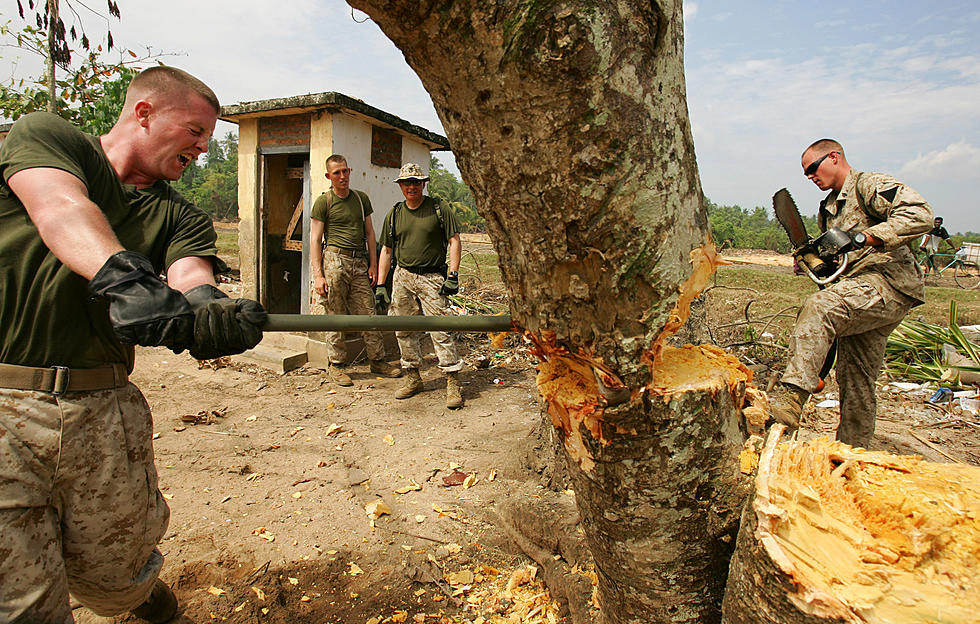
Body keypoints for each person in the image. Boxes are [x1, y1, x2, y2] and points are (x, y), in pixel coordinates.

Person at [0, 66, 267, 623]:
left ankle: (135, 598)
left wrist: (209, 313)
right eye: (194, 129)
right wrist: (121, 276)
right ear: (144, 112)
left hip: (103, 410)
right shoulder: (49, 137)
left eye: (208, 136)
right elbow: (58, 207)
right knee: (21, 604)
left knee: (117, 577)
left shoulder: (179, 215)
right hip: (5, 400)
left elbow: (189, 276)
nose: (203, 144)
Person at [768, 139, 932, 447]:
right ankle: (852, 452)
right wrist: (816, 260)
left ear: (833, 157)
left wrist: (864, 236)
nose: (810, 177)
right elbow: (837, 267)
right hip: (859, 292)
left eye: (812, 169)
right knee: (856, 379)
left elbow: (920, 214)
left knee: (820, 306)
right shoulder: (828, 211)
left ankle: (791, 398)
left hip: (888, 282)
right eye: (805, 174)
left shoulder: (868, 186)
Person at [376, 163, 465, 409]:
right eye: (407, 183)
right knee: (403, 330)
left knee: (440, 329)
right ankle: (413, 377)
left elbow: (454, 240)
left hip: (432, 278)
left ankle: (452, 381)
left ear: (423, 183)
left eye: (416, 182)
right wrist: (381, 285)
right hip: (403, 277)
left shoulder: (439, 208)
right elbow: (386, 250)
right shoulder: (394, 214)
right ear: (401, 186)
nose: (411, 186)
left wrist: (453, 275)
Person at [310, 154, 402, 386]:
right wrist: (319, 275)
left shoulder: (360, 199)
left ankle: (377, 360)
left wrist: (372, 264)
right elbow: (315, 238)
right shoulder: (325, 201)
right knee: (335, 314)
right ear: (328, 176)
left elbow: (370, 233)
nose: (342, 176)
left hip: (359, 261)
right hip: (334, 260)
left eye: (345, 171)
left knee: (368, 312)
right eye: (337, 173)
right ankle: (337, 365)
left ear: (350, 171)